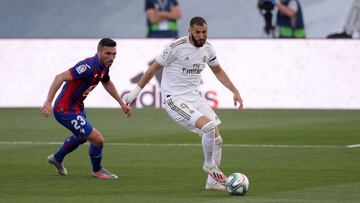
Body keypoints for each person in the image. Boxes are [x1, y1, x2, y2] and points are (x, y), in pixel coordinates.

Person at [124, 16, 244, 191]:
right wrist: (135, 92)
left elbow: (218, 71)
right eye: (198, 32)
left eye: (204, 32)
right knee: (208, 127)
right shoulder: (175, 47)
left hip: (194, 98)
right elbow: (153, 68)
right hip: (174, 99)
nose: (201, 36)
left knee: (217, 138)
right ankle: (209, 165)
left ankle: (212, 182)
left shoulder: (209, 50)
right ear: (190, 31)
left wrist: (235, 91)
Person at [40, 38, 132, 179]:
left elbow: (106, 82)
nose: (111, 58)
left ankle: (57, 158)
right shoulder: (87, 66)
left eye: (114, 54)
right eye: (108, 53)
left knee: (82, 137)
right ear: (99, 52)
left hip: (77, 107)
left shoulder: (104, 66)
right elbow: (59, 77)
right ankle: (97, 170)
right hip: (65, 109)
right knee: (97, 139)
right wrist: (48, 101)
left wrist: (121, 103)